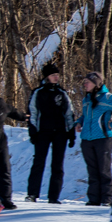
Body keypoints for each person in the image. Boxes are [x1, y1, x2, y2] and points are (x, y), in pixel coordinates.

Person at [26, 63, 75, 204]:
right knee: (39, 162)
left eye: (58, 75)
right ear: (47, 76)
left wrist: (71, 133)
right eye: (53, 75)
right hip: (43, 132)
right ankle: (32, 194)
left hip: (60, 132)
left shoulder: (62, 93)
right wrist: (33, 130)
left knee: (58, 165)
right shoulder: (38, 92)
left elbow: (69, 113)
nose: (56, 77)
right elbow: (33, 112)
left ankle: (54, 196)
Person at [75, 71, 112, 206]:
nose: (85, 84)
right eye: (84, 82)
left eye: (87, 82)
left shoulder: (108, 98)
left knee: (104, 170)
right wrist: (79, 122)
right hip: (86, 139)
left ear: (96, 84)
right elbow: (84, 115)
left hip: (102, 139)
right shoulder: (86, 99)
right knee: (92, 170)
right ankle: (93, 199)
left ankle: (106, 199)